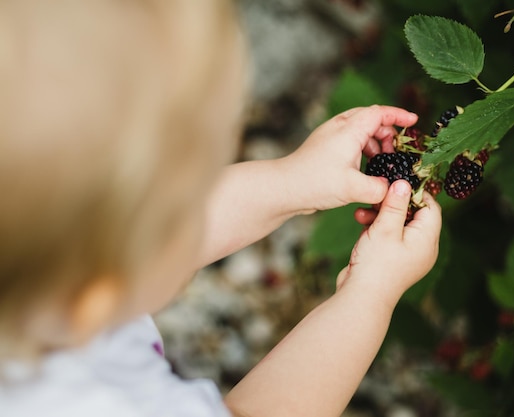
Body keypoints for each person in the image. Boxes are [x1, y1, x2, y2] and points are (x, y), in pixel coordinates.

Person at [0, 0, 442, 416]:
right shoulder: (112, 406)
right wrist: (371, 294)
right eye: (191, 200)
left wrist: (295, 181)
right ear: (97, 285)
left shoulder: (44, 267)